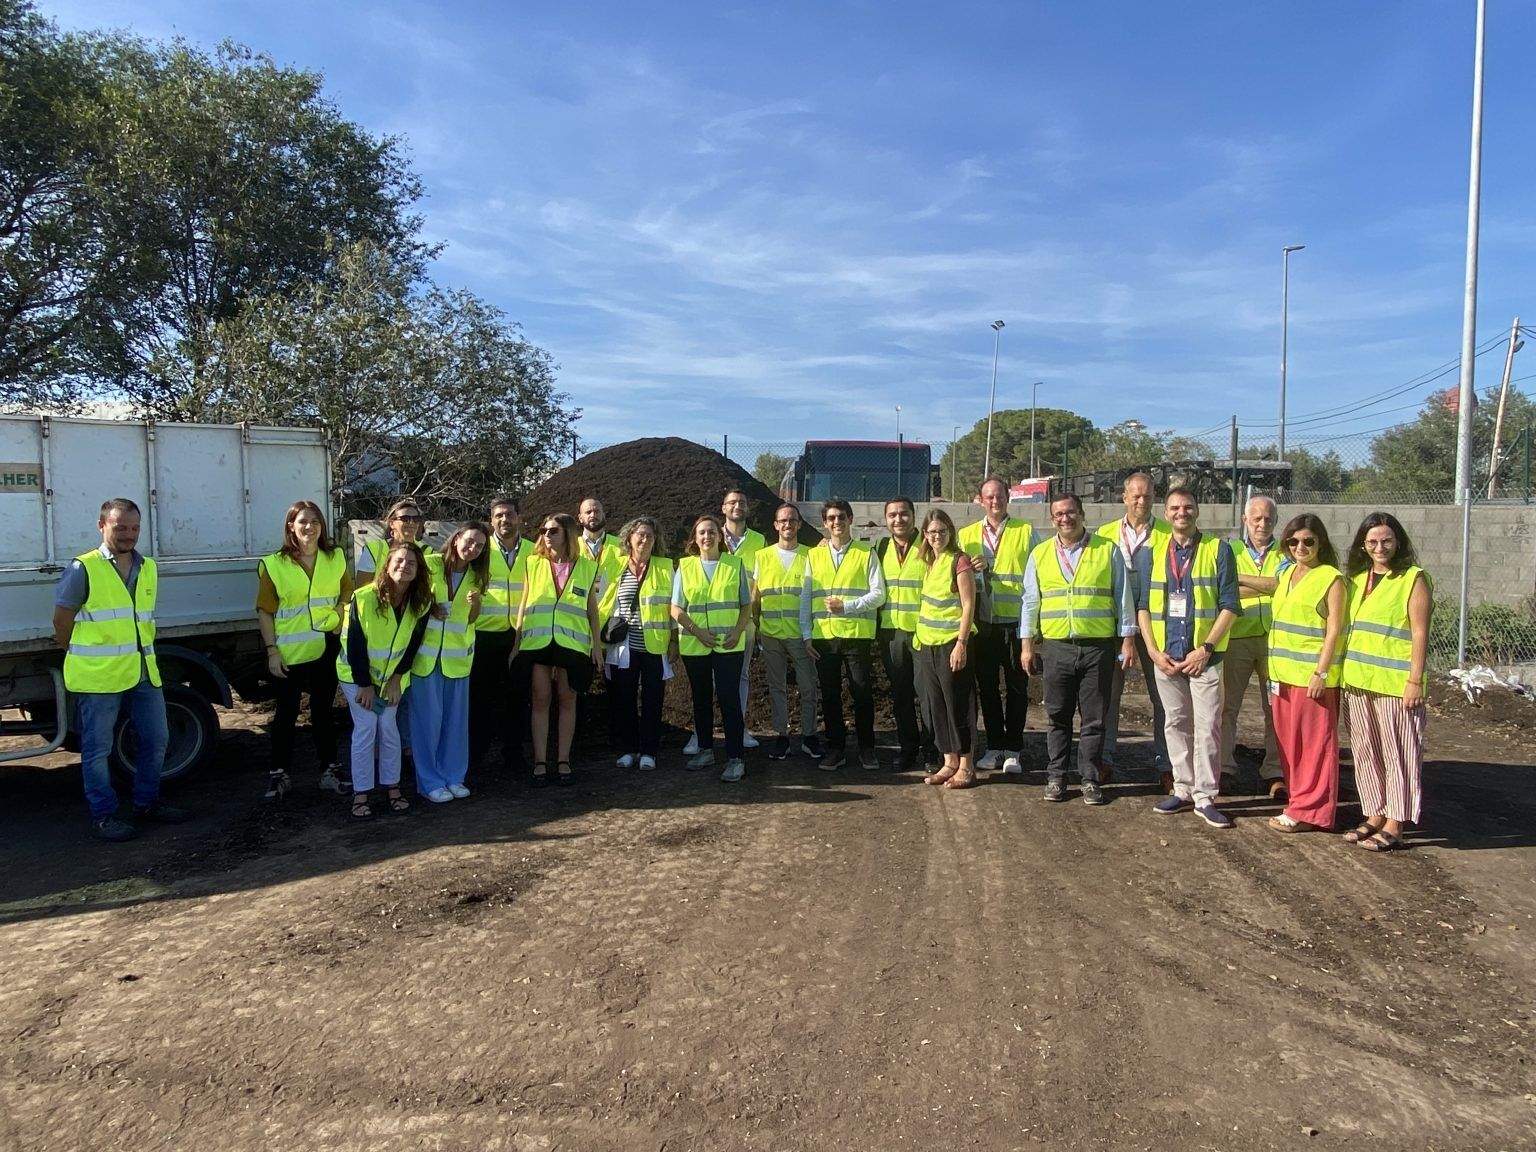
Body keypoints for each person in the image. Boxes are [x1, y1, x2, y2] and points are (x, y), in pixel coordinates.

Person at [52, 497, 187, 841]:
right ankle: (104, 815)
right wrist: (78, 651)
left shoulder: (148, 567)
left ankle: (147, 803)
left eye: (134, 528)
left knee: (157, 740)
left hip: (143, 672)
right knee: (98, 750)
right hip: (99, 677)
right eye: (120, 527)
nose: (128, 534)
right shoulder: (83, 567)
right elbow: (61, 621)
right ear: (102, 526)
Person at [1019, 493, 1138, 805]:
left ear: (1082, 514)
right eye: (1058, 514)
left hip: (1097, 648)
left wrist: (1128, 639)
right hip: (1057, 648)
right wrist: (1027, 644)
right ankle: (1056, 776)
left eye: (1070, 512)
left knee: (1094, 718)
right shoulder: (1040, 554)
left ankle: (1089, 778)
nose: (1065, 518)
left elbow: (1123, 597)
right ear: (1052, 518)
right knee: (1057, 715)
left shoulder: (1106, 550)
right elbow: (1030, 602)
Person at [1138, 488, 1240, 829]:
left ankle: (1205, 795)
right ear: (1166, 514)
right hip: (1166, 656)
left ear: (1197, 511)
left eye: (1188, 507)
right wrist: (1153, 651)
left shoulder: (1218, 550)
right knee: (1175, 723)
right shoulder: (1151, 553)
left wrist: (1206, 649)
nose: (1182, 513)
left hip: (1204, 658)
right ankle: (1182, 788)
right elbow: (1142, 608)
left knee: (1208, 725)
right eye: (1175, 508)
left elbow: (1230, 605)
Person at [1340, 513, 1432, 852]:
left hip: (1395, 685)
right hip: (1358, 682)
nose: (1380, 547)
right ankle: (1375, 812)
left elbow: (1420, 632)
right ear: (1363, 545)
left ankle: (1396, 821)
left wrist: (1415, 680)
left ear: (1398, 542)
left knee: (1399, 753)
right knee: (1366, 751)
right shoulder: (1356, 580)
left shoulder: (1413, 579)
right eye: (1373, 542)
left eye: (1387, 541)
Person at [256, 499, 352, 800]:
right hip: (288, 653)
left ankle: (329, 770)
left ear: (321, 526)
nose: (309, 527)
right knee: (285, 715)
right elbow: (265, 610)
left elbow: (347, 593)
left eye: (315, 521)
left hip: (325, 647)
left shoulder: (335, 557)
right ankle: (279, 774)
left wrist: (339, 616)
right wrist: (272, 651)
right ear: (291, 527)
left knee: (323, 713)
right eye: (302, 522)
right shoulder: (274, 564)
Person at [337, 542, 432, 818]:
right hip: (357, 677)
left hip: (392, 678)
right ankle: (361, 793)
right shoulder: (364, 597)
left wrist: (396, 679)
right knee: (367, 727)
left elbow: (413, 645)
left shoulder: (421, 602)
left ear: (419, 571)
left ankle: (393, 787)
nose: (405, 566)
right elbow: (354, 644)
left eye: (412, 563)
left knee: (388, 728)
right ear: (387, 566)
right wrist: (365, 685)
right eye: (399, 561)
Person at [1265, 514, 1346, 835]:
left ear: (1321, 543)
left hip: (1312, 679)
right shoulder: (1288, 575)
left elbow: (1335, 630)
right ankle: (1298, 801)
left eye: (1308, 541)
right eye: (1294, 541)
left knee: (1315, 747)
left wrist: (1321, 673)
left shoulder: (1331, 579)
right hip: (1283, 676)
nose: (1300, 547)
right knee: (1290, 746)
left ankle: (1311, 810)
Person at [513, 513, 601, 786]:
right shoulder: (532, 563)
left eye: (553, 531)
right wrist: (517, 645)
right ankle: (540, 761)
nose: (547, 535)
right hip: (538, 644)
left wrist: (596, 646)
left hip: (571, 645)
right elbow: (523, 604)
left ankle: (563, 760)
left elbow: (592, 610)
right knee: (540, 701)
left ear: (568, 534)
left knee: (568, 700)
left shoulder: (587, 567)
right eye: (544, 530)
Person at [1096, 472, 1170, 786]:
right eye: (1136, 496)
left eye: (1148, 496)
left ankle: (1168, 764)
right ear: (1124, 497)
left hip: (1158, 626)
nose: (1141, 501)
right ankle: (1104, 758)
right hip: (1114, 626)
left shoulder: (1168, 533)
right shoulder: (1104, 533)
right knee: (1107, 696)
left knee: (1164, 697)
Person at [408, 523, 488, 803]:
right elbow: (408, 601)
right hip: (426, 659)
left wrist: (476, 603)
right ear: (456, 539)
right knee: (427, 724)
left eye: (479, 546)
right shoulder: (428, 564)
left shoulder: (477, 576)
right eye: (469, 542)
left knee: (455, 725)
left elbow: (472, 618)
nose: (472, 549)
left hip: (457, 660)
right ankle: (430, 782)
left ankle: (454, 776)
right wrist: (431, 608)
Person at [957, 478, 1033, 773]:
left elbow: (1033, 580)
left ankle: (1014, 749)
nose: (994, 501)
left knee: (1017, 687)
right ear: (980, 500)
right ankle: (994, 747)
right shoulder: (966, 535)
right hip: (984, 623)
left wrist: (1031, 628)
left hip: (1015, 623)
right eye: (988, 497)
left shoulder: (1025, 532)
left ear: (1008, 497)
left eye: (999, 495)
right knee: (987, 688)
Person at [805, 499, 886, 770]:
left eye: (841, 517)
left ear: (850, 519)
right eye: (831, 518)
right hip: (824, 638)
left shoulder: (866, 553)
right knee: (829, 695)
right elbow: (806, 598)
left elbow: (879, 594)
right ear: (825, 524)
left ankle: (866, 748)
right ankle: (836, 748)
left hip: (856, 636)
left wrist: (847, 606)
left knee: (861, 692)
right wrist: (807, 635)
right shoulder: (813, 556)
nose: (836, 522)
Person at [672, 514, 751, 781]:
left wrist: (739, 631)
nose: (707, 537)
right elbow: (676, 608)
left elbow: (745, 605)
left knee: (729, 700)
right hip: (696, 645)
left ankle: (736, 757)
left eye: (712, 532)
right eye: (702, 533)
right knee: (701, 699)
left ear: (720, 536)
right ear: (695, 539)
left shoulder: (734, 564)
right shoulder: (684, 568)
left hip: (728, 645)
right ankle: (705, 749)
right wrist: (698, 632)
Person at [599, 515, 675, 771]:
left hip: (654, 644)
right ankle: (628, 749)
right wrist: (598, 637)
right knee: (625, 699)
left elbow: (673, 606)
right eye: (640, 534)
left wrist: (673, 642)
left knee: (653, 699)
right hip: (624, 646)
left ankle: (649, 751)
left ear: (656, 541)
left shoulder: (665, 567)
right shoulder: (616, 565)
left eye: (650, 536)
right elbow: (603, 601)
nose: (644, 539)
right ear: (629, 538)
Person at [1224, 496, 1285, 798]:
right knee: (1227, 707)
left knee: (1275, 708)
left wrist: (1243, 582)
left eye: (1269, 518)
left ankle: (1274, 772)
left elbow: (1282, 586)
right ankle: (1224, 767)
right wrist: (1266, 583)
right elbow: (1224, 586)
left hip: (1275, 641)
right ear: (1245, 519)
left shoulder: (1287, 552)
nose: (1263, 524)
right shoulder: (1230, 550)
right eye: (1257, 518)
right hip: (1236, 638)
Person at [913, 510, 978, 789]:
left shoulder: (958, 561)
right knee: (937, 705)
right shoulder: (930, 560)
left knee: (958, 706)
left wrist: (961, 644)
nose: (936, 536)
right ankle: (949, 761)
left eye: (941, 531)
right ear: (925, 535)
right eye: (931, 532)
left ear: (950, 531)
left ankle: (966, 765)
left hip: (952, 644)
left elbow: (968, 605)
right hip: (928, 644)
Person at [753, 503, 823, 761]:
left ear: (800, 524)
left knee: (808, 686)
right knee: (777, 687)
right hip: (771, 634)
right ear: (775, 525)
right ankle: (781, 735)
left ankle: (809, 736)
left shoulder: (811, 555)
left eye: (792, 520)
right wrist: (757, 626)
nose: (788, 524)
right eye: (783, 520)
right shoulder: (762, 556)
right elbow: (755, 596)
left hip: (800, 634)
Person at [469, 494, 531, 773]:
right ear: (490, 520)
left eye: (509, 514)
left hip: (520, 635)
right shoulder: (480, 550)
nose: (504, 519)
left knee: (517, 698)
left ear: (519, 517)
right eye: (498, 515)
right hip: (485, 635)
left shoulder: (534, 551)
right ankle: (475, 756)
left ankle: (514, 754)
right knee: (480, 698)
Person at [878, 496, 930, 771]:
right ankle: (908, 748)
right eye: (892, 515)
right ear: (886, 520)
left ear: (913, 515)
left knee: (927, 695)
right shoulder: (881, 547)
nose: (898, 519)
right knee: (900, 695)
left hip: (923, 633)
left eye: (904, 514)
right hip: (891, 634)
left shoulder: (929, 544)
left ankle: (932, 750)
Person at [721, 489, 764, 750]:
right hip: (714, 619)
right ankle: (700, 730)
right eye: (732, 502)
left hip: (745, 621)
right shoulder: (711, 536)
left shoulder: (759, 541)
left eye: (742, 502)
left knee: (742, 676)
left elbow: (759, 583)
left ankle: (739, 728)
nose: (738, 506)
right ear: (723, 508)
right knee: (711, 678)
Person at [357, 497, 436, 576]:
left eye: (416, 519)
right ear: (391, 523)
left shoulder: (428, 552)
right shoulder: (373, 550)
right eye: (405, 518)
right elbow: (363, 586)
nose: (411, 522)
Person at [577, 497, 624, 586]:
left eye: (597, 511)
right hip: (580, 598)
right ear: (580, 518)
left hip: (611, 599)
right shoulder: (572, 546)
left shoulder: (621, 545)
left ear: (603, 515)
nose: (593, 515)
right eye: (588, 512)